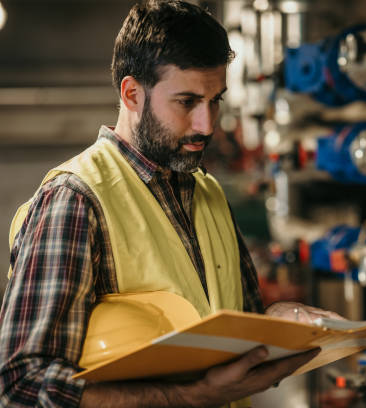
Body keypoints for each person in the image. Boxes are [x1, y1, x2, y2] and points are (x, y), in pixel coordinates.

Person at [0, 1, 342, 407]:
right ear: (132, 94)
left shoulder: (209, 192)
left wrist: (282, 319)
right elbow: (23, 382)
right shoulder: (75, 200)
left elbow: (237, 329)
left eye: (215, 100)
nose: (207, 124)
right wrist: (190, 396)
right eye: (187, 102)